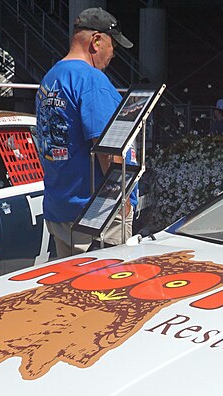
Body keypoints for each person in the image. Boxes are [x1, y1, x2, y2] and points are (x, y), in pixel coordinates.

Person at [35, 7, 134, 258]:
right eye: (113, 47)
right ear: (96, 41)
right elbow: (108, 149)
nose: (112, 56)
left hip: (60, 207)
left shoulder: (51, 78)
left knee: (72, 292)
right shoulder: (91, 80)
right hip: (96, 215)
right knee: (108, 291)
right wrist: (122, 201)